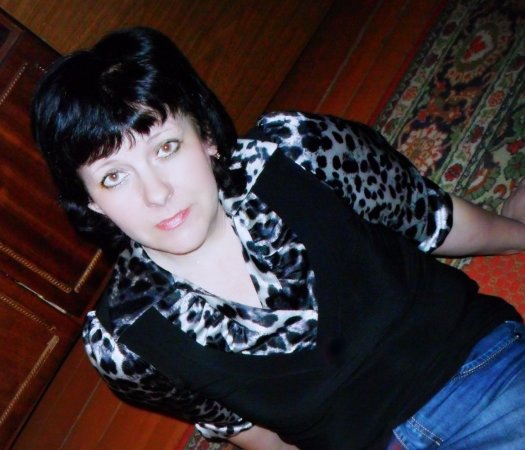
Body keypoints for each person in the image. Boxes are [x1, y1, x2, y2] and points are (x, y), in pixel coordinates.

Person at [31, 27, 525, 450]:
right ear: (90, 200)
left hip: (475, 378)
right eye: (114, 176)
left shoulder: (298, 153)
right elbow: (249, 432)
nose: (156, 193)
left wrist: (515, 235)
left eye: (167, 147)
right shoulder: (124, 344)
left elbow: (427, 214)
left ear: (205, 136)